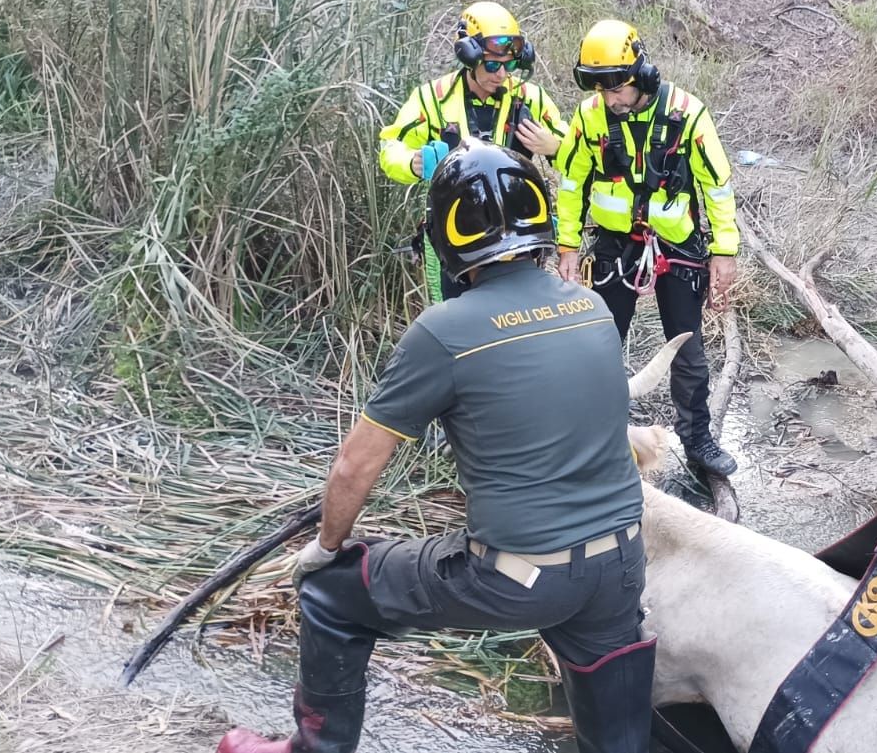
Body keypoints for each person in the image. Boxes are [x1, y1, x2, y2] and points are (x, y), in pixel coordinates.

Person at [217, 143, 655, 753]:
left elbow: (355, 465)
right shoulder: (592, 308)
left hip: (521, 576)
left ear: (448, 240)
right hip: (622, 563)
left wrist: (326, 548)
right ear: (539, 220)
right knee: (616, 731)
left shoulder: (445, 331)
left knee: (333, 594)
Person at [554, 19, 740, 477]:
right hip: (615, 244)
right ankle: (599, 433)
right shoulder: (589, 117)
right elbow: (572, 182)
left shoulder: (687, 114)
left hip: (676, 244)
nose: (609, 98)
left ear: (643, 75)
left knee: (686, 345)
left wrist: (724, 250)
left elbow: (716, 187)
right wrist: (568, 246)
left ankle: (696, 438)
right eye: (598, 87)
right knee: (599, 342)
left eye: (616, 86)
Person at [378, 1, 568, 303]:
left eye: (510, 64)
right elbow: (391, 148)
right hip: (455, 234)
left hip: (517, 236)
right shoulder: (433, 99)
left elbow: (576, 150)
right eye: (492, 65)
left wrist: (554, 146)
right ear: (468, 56)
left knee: (518, 316)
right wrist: (412, 163)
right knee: (455, 316)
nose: (502, 74)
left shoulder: (531, 98)